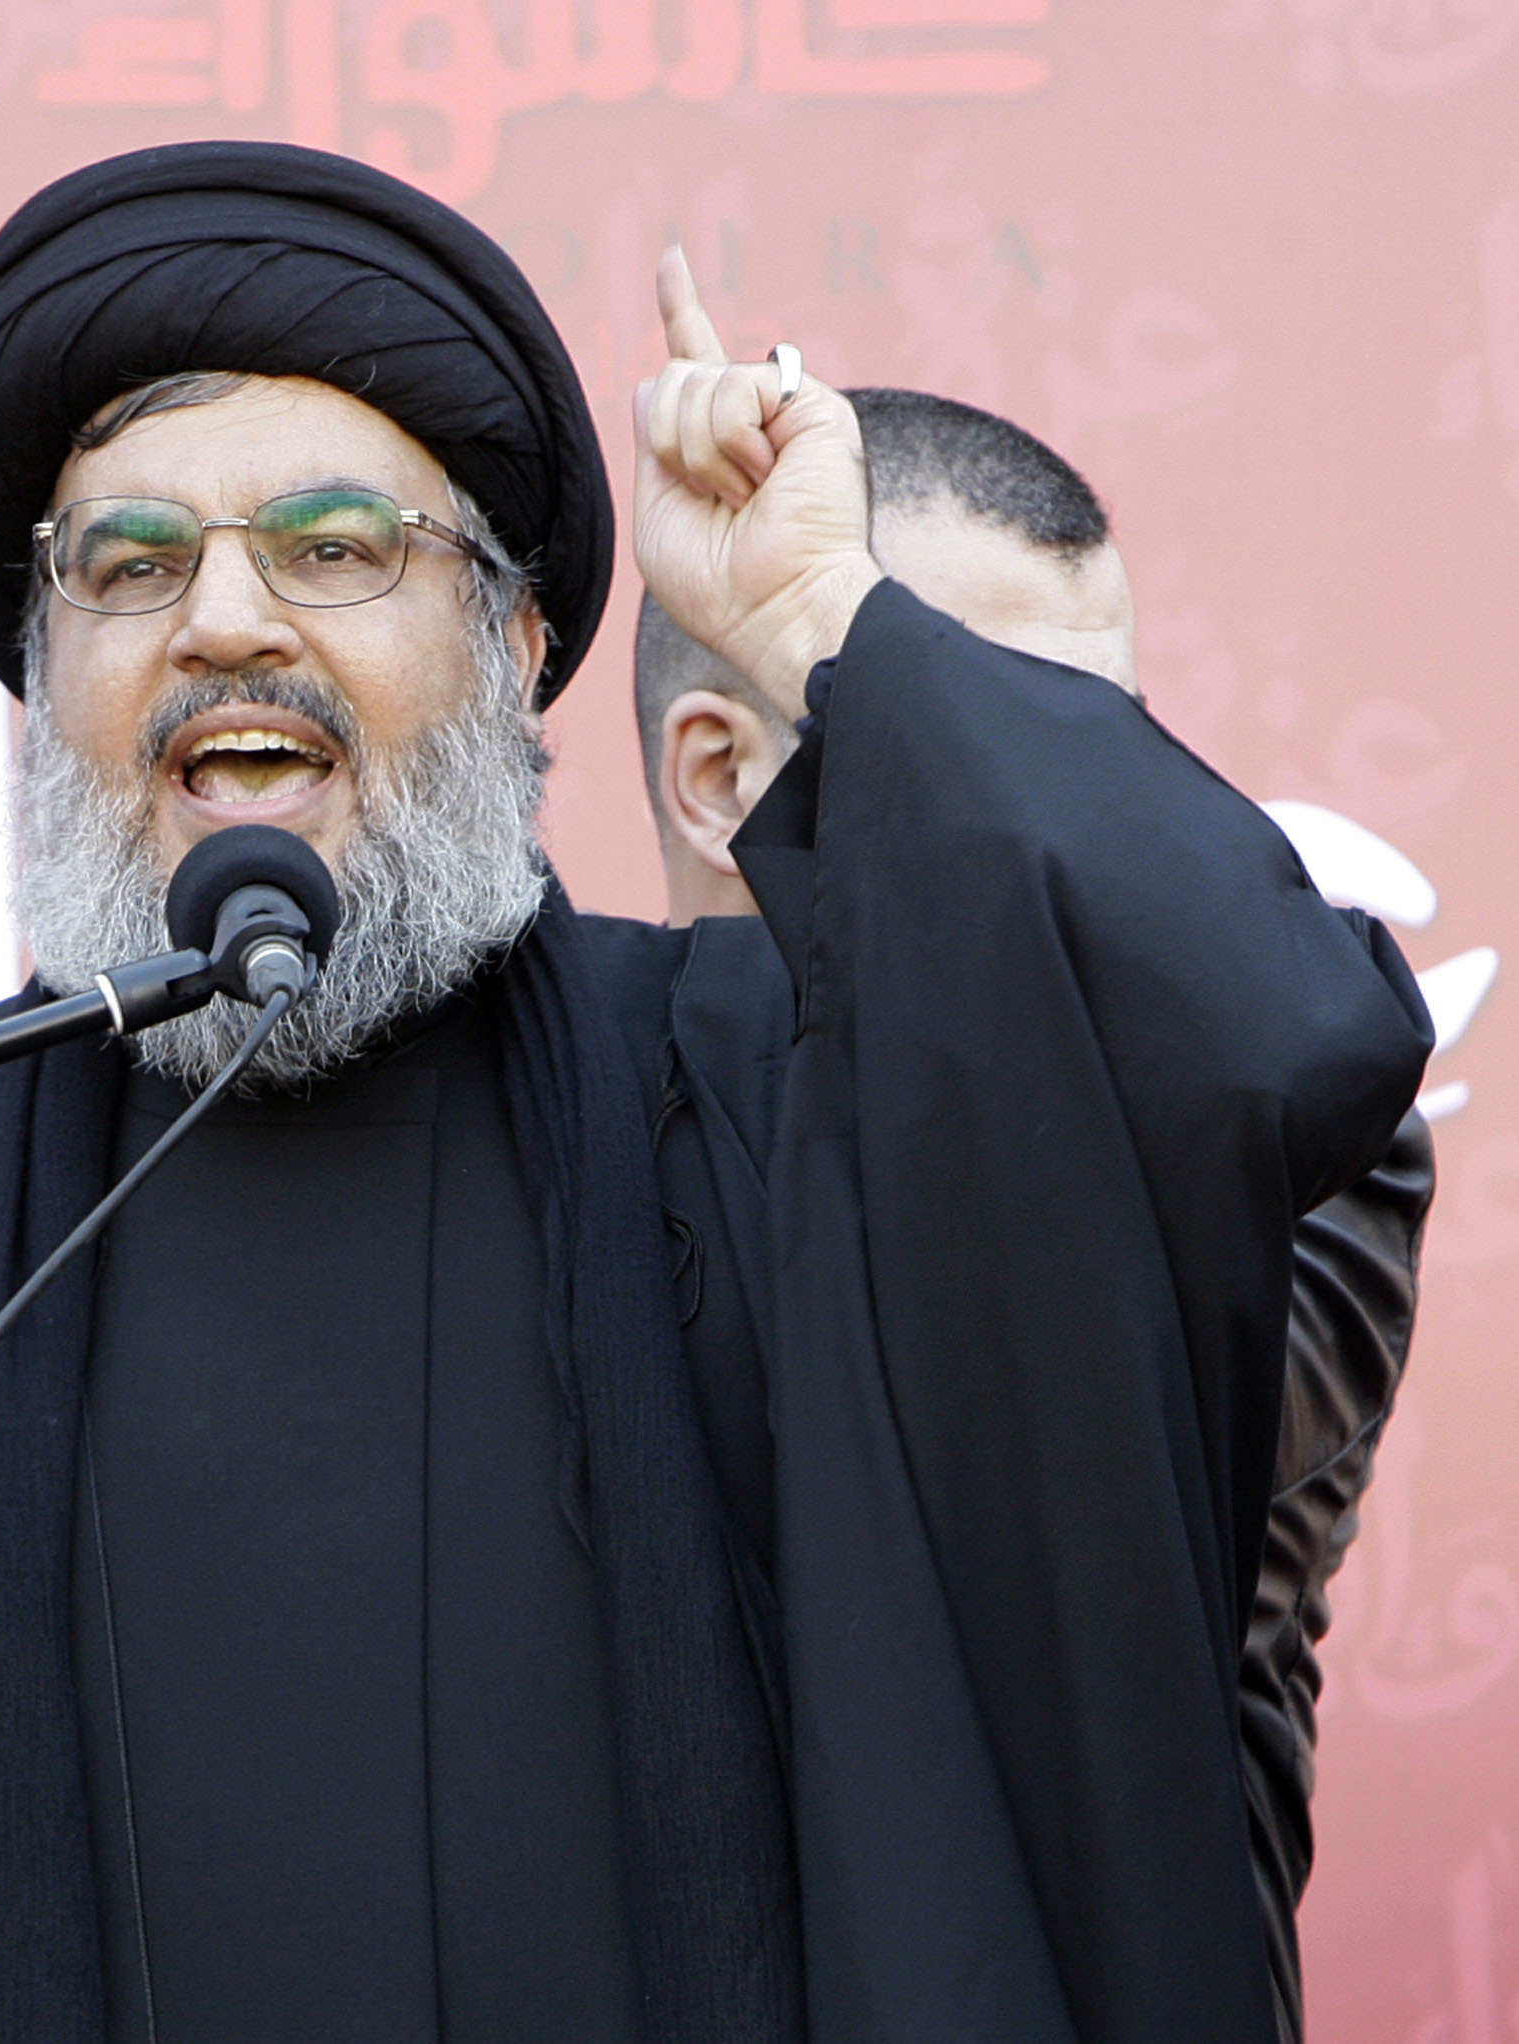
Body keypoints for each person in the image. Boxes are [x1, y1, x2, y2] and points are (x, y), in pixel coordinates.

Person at [0, 143, 1430, 2044]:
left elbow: (1262, 1044)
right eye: (127, 564)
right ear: (42, 676)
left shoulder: (783, 1096)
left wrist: (829, 622)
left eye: (331, 546)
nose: (222, 619)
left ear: (511, 637)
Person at [632, 386, 1431, 2044]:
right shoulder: (552, 1123)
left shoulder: (1277, 1144)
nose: (1066, 830)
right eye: (979, 747)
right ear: (717, 775)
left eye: (1101, 752)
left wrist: (830, 629)